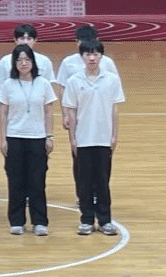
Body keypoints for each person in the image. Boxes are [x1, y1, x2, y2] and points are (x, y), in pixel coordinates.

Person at [62, 38, 125, 237]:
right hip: (83, 139)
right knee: (85, 182)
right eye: (88, 54)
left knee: (103, 182)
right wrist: (73, 138)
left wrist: (114, 135)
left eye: (96, 54)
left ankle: (105, 221)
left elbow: (114, 109)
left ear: (101, 56)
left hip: (104, 139)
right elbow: (71, 112)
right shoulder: (74, 81)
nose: (92, 58)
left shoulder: (111, 80)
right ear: (82, 57)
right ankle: (86, 220)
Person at [0, 43, 57, 236]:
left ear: (33, 62)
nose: (23, 63)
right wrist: (3, 139)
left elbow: (49, 111)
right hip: (14, 137)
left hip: (37, 138)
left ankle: (40, 221)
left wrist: (49, 136)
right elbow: (2, 113)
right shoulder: (8, 85)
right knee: (16, 182)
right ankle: (17, 221)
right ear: (14, 63)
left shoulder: (43, 83)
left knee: (37, 182)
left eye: (27, 59)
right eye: (19, 60)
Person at [55, 25, 119, 102]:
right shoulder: (67, 62)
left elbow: (115, 86)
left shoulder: (107, 62)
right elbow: (62, 87)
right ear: (77, 42)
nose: (87, 45)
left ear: (97, 40)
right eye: (83, 41)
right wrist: (65, 109)